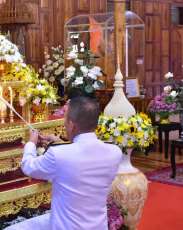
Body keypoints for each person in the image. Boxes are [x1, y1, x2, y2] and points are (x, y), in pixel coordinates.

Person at [8, 96, 122, 230]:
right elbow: (81, 158)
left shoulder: (59, 155)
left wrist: (31, 143)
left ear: (72, 125)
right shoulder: (115, 152)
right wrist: (61, 144)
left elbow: (29, 167)